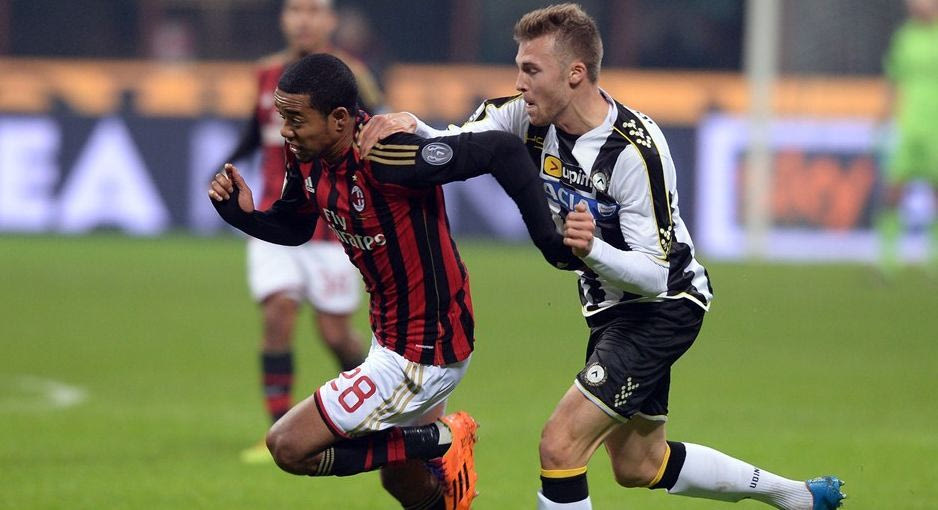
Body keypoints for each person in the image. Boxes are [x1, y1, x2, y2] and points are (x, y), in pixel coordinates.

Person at [358, 4, 846, 509]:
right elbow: (457, 143)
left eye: (532, 70)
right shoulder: (522, 116)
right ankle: (796, 497)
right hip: (610, 308)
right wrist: (414, 126)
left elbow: (655, 276)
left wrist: (593, 249)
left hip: (663, 306)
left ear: (575, 73)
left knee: (560, 444)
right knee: (639, 465)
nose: (520, 83)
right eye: (519, 68)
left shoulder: (634, 152)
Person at [209, 53, 578, 510]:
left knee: (287, 446)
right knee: (402, 481)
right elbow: (296, 225)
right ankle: (436, 469)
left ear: (339, 119)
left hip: (426, 349)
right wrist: (244, 217)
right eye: (283, 118)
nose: (285, 130)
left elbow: (502, 150)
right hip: (391, 339)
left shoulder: (389, 154)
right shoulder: (308, 155)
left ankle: (441, 437)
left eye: (296, 119)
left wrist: (549, 240)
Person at [223, 0, 383, 464]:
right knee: (278, 312)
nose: (303, 20)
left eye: (314, 10)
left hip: (332, 223)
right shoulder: (265, 73)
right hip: (275, 218)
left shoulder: (351, 75)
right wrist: (225, 164)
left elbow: (376, 131)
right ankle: (275, 427)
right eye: (296, 10)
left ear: (330, 21)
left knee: (335, 333)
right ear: (283, 18)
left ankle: (377, 404)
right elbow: (256, 131)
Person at [876, 0, 938, 277]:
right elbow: (894, 79)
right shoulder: (904, 37)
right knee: (893, 190)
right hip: (908, 126)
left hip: (936, 128)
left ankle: (934, 262)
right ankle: (888, 262)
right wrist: (883, 116)